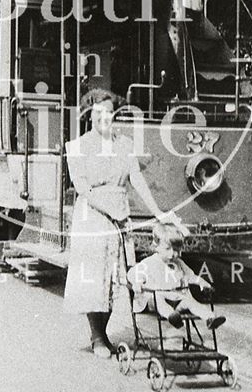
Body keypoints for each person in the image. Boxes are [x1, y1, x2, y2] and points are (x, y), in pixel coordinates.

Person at [64, 89, 185, 359]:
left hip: (119, 214)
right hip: (93, 217)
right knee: (94, 279)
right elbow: (82, 188)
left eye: (109, 112)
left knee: (114, 278)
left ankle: (103, 332)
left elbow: (137, 179)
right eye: (99, 113)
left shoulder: (124, 145)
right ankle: (97, 337)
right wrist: (111, 211)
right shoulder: (77, 147)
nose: (104, 118)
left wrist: (158, 212)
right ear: (89, 114)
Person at [127, 222, 226, 331]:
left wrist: (202, 282)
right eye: (168, 249)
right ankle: (172, 316)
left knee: (191, 302)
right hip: (155, 300)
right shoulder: (149, 262)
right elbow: (132, 273)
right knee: (158, 299)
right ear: (156, 246)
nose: (172, 254)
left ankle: (210, 318)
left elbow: (191, 276)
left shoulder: (179, 263)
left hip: (176, 299)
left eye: (176, 250)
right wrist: (138, 283)